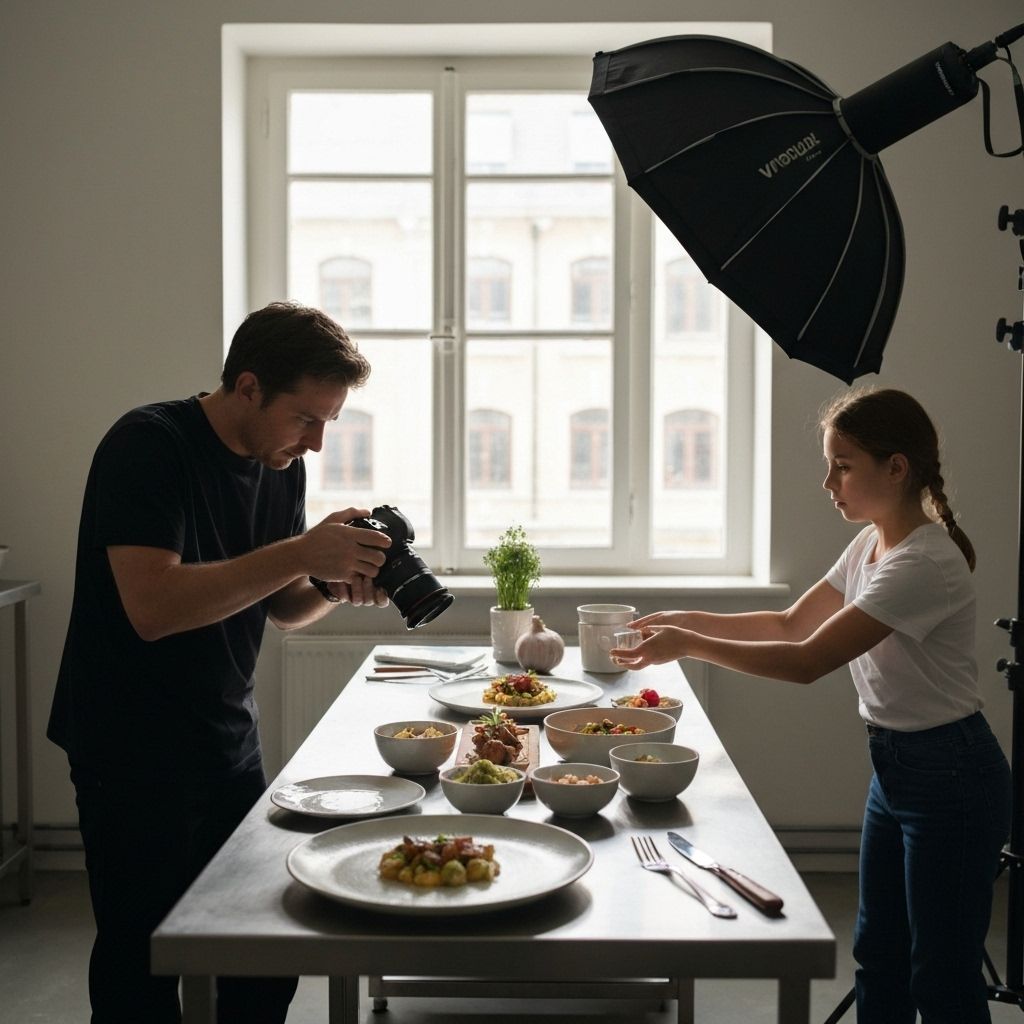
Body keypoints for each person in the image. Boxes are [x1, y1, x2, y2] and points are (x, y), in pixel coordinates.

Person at [611, 387, 1012, 1023]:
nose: (829, 482)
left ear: (897, 467)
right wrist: (685, 619)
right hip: (897, 769)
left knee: (941, 974)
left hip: (952, 776)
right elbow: (791, 623)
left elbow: (806, 663)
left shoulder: (922, 562)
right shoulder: (871, 544)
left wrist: (689, 643)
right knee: (879, 953)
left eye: (843, 465)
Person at [48, 301, 394, 1023]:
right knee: (141, 955)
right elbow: (153, 608)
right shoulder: (148, 445)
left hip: (225, 739)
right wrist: (300, 553)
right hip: (129, 745)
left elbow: (281, 604)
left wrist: (332, 583)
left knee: (264, 950)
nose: (318, 442)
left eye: (329, 422)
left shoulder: (282, 466)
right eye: (307, 418)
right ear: (247, 387)